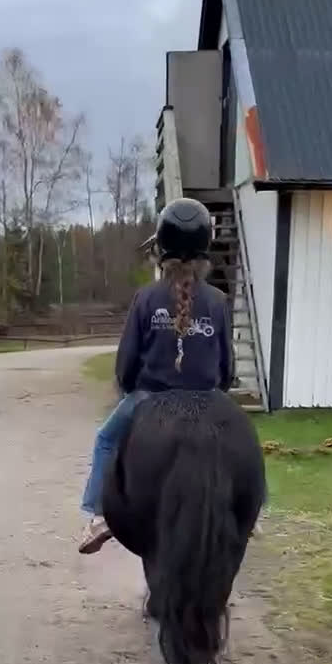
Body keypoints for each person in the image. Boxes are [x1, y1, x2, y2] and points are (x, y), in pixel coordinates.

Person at [78, 197, 234, 554]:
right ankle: (252, 511)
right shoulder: (217, 301)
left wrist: (128, 390)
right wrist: (217, 392)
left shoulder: (145, 298)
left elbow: (126, 363)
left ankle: (99, 516)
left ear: (162, 248)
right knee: (241, 441)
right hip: (206, 400)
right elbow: (226, 368)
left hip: (150, 398)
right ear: (205, 248)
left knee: (105, 439)